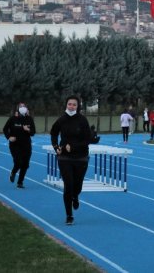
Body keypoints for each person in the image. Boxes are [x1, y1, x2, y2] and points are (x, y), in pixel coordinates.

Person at [50, 96, 92, 225]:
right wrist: (56, 147)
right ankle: (69, 215)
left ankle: (75, 196)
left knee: (77, 186)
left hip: (81, 157)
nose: (71, 106)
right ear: (66, 105)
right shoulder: (61, 120)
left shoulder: (82, 120)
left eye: (74, 104)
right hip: (64, 157)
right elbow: (53, 133)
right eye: (69, 104)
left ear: (77, 106)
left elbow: (87, 139)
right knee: (68, 185)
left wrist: (73, 146)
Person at [3, 102, 36, 188]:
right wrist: (9, 137)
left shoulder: (29, 119)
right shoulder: (13, 119)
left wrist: (27, 130)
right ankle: (13, 172)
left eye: (24, 106)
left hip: (26, 145)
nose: (22, 108)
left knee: (25, 164)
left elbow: (33, 132)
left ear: (26, 108)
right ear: (17, 109)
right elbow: (5, 129)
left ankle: (20, 182)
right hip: (15, 144)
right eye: (20, 107)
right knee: (18, 162)